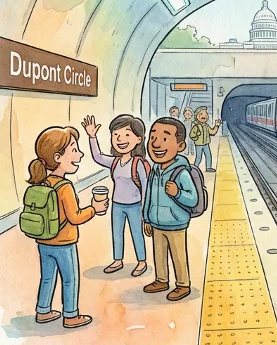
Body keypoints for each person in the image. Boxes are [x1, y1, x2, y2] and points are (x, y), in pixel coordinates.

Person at [29, 126, 107, 328]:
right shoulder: (64, 187)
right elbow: (75, 217)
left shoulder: (43, 183)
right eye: (74, 150)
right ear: (57, 157)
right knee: (70, 279)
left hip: (44, 241)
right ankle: (71, 315)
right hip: (64, 242)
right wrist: (94, 209)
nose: (79, 155)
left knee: (47, 277)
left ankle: (43, 311)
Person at [82, 114, 149, 277]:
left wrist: (145, 211)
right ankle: (118, 260)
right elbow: (98, 157)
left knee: (136, 233)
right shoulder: (115, 162)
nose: (120, 139)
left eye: (126, 134)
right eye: (116, 134)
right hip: (117, 204)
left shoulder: (138, 163)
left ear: (138, 139)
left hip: (135, 205)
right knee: (117, 233)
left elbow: (146, 186)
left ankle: (142, 262)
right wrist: (92, 137)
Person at [143, 118, 198, 301]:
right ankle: (161, 280)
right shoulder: (155, 170)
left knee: (178, 254)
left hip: (176, 222)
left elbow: (193, 199)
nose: (156, 144)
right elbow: (149, 195)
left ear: (180, 146)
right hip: (156, 222)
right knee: (159, 253)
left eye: (164, 139)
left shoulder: (181, 172)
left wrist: (177, 193)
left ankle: (183, 284)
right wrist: (146, 218)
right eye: (152, 138)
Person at [189, 106, 221, 173]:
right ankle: (194, 168)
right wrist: (196, 136)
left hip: (206, 144)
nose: (204, 116)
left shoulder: (206, 126)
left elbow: (212, 132)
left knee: (208, 155)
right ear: (196, 116)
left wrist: (216, 126)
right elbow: (191, 135)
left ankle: (208, 167)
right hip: (199, 144)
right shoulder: (196, 126)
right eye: (201, 114)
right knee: (198, 157)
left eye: (206, 113)